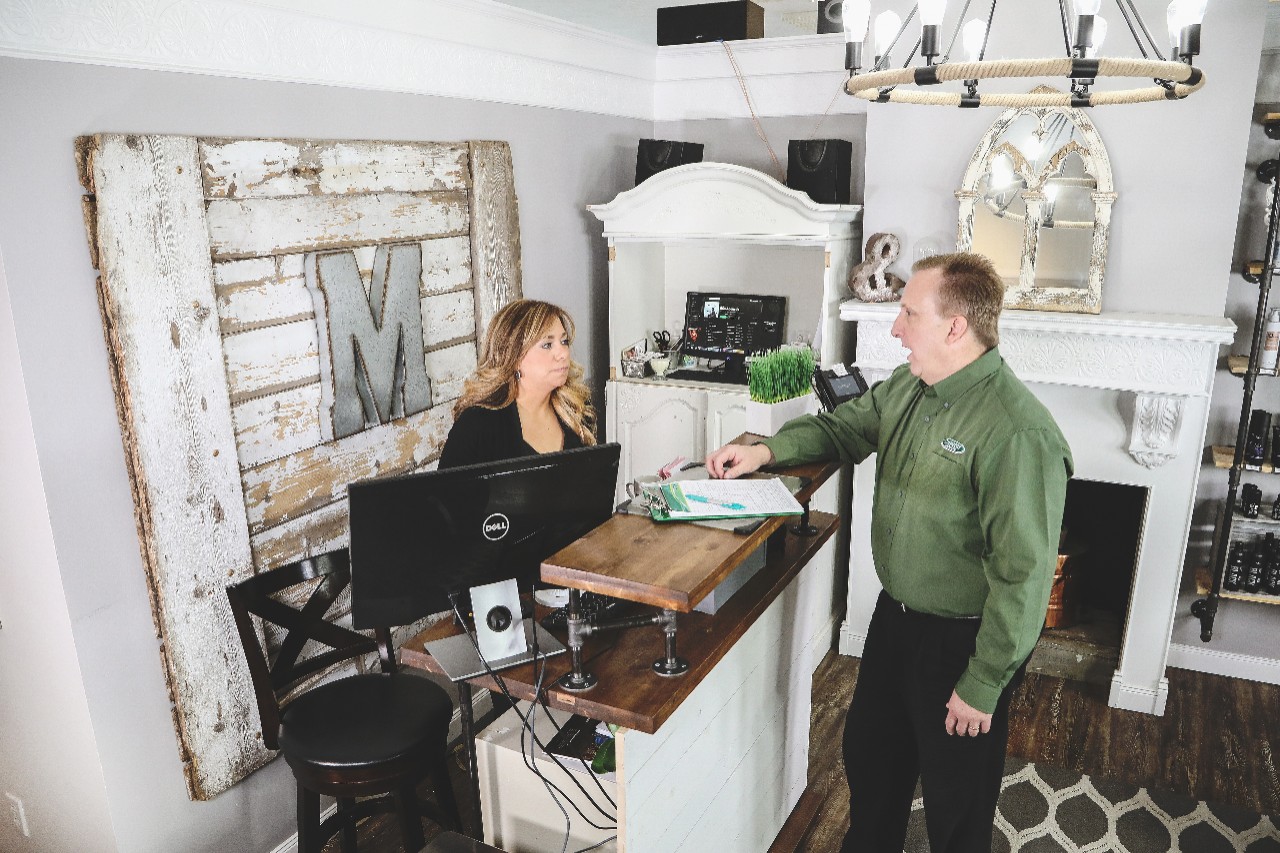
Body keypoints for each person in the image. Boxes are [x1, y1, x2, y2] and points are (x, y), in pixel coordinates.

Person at [705, 252, 1072, 853]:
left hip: (965, 642)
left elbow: (1024, 577)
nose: (895, 328)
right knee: (872, 765)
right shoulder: (910, 385)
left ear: (956, 327)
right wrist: (766, 451)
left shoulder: (1017, 432)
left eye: (908, 313)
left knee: (958, 803)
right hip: (896, 620)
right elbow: (844, 427)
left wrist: (983, 682)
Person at [439, 299, 596, 469]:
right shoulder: (477, 424)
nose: (562, 353)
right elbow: (444, 494)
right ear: (514, 358)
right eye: (547, 345)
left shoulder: (576, 408)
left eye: (564, 342)